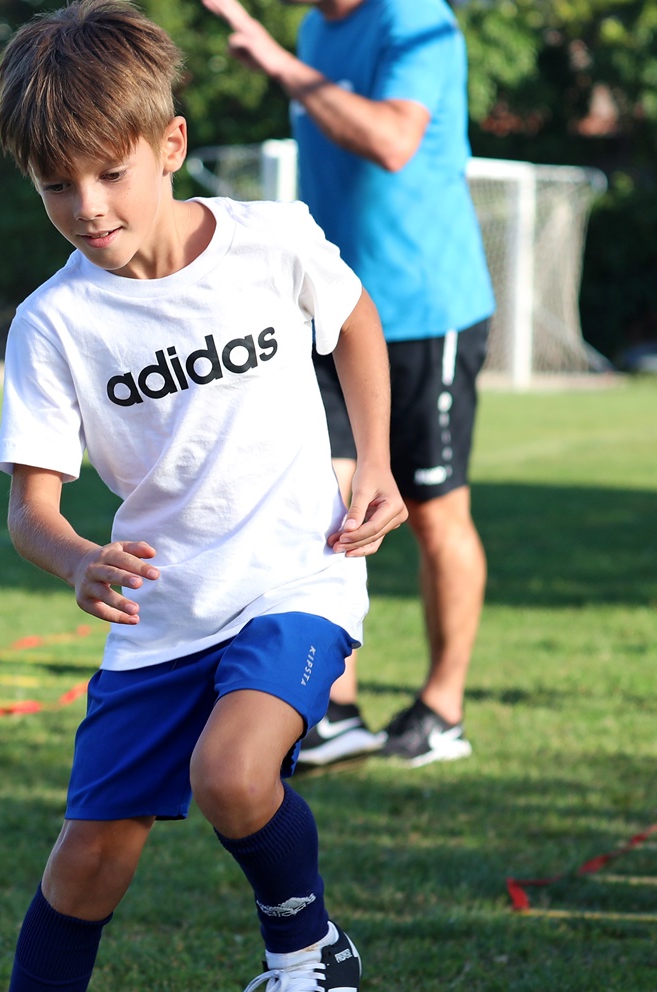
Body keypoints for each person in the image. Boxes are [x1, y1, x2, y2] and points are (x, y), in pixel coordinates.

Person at [0, 0, 406, 992]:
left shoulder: (273, 241)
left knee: (234, 773)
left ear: (168, 144)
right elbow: (32, 509)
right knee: (86, 863)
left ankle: (307, 946)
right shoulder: (55, 323)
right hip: (160, 618)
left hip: (295, 574)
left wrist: (373, 457)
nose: (91, 207)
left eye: (110, 173)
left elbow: (357, 322)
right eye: (59, 188)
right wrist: (72, 562)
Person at [204, 0, 494, 768]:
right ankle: (332, 706)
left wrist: (277, 63)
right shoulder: (314, 28)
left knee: (432, 514)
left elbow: (394, 141)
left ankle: (443, 708)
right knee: (324, 504)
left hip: (426, 311)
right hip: (330, 308)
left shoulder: (414, 20)